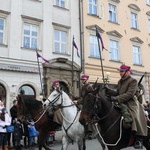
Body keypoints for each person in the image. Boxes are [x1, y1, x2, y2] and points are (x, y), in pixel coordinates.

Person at [104, 64, 147, 148]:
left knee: (134, 116)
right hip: (120, 102)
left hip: (131, 103)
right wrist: (108, 90)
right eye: (120, 71)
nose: (120, 73)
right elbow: (117, 92)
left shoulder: (133, 81)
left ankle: (139, 137)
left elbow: (130, 94)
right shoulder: (120, 81)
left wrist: (116, 98)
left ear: (127, 72)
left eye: (122, 71)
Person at [73, 74, 94, 140]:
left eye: (83, 79)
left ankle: (89, 131)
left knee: (86, 115)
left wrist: (78, 101)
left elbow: (87, 98)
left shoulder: (89, 87)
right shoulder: (83, 87)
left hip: (88, 104)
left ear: (87, 79)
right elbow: (82, 97)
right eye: (82, 79)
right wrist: (75, 98)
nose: (82, 80)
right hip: (83, 102)